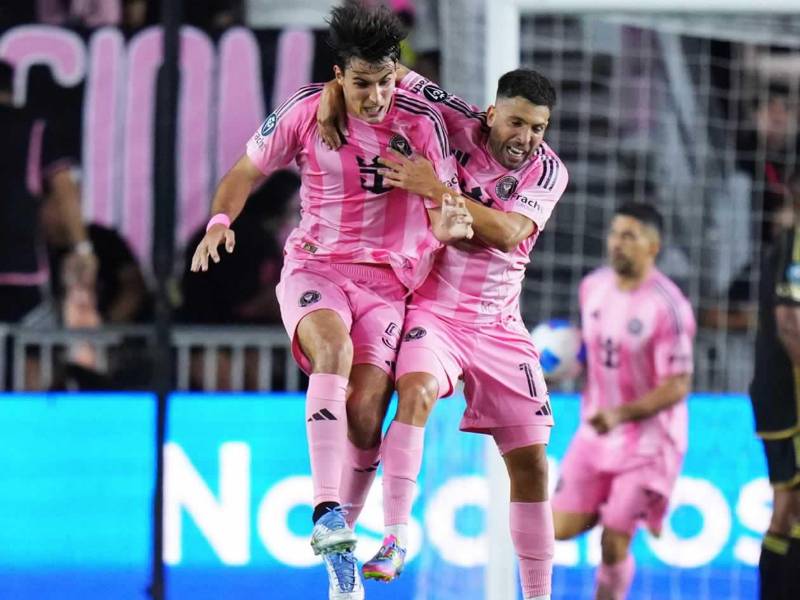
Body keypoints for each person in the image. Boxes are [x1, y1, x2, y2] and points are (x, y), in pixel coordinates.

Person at [189, 3, 472, 598]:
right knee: (333, 352)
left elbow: (444, 201)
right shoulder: (304, 110)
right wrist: (219, 222)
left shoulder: (423, 118)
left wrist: (445, 218)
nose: (376, 97)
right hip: (317, 266)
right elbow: (244, 172)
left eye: (385, 82)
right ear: (338, 76)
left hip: (389, 284)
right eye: (362, 83)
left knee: (367, 412)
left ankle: (340, 553)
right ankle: (327, 513)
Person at [318, 64, 568, 599]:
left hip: (500, 325)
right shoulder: (453, 118)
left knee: (532, 463)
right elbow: (384, 66)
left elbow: (508, 232)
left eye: (538, 128)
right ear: (491, 113)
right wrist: (330, 93)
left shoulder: (548, 171)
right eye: (516, 123)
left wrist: (434, 187)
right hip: (434, 312)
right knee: (416, 392)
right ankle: (394, 538)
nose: (525, 138)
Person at [551, 203, 695, 600]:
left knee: (613, 542)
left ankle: (625, 509)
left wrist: (622, 413)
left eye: (629, 236)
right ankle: (616, 502)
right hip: (596, 433)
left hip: (649, 443)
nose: (616, 243)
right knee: (557, 528)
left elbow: (678, 384)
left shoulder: (668, 306)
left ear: (653, 246)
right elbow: (590, 351)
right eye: (615, 234)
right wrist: (559, 364)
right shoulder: (592, 287)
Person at [749, 171, 800, 600]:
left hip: (780, 397)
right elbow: (790, 325)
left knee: (789, 508)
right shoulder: (792, 247)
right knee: (789, 509)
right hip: (788, 399)